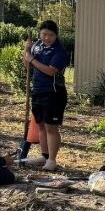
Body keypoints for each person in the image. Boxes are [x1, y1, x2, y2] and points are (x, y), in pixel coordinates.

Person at [20, 20, 69, 172]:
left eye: (51, 35)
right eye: (44, 34)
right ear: (39, 33)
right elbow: (27, 65)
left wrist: (32, 59)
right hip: (38, 91)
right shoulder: (37, 46)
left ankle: (52, 160)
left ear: (56, 35)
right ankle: (44, 155)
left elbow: (50, 71)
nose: (47, 38)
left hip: (53, 93)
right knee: (41, 125)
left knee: (50, 127)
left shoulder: (59, 51)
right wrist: (27, 51)